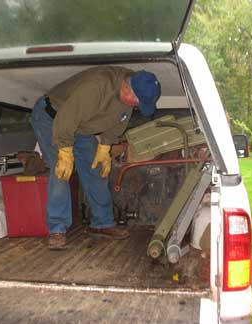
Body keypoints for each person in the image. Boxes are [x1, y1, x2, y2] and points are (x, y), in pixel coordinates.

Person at [31, 66, 161, 250]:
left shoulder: (129, 98)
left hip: (82, 127)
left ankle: (102, 223)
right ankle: (57, 228)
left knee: (96, 169)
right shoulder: (98, 86)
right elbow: (66, 118)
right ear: (127, 89)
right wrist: (66, 151)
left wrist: (104, 147)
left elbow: (117, 123)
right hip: (52, 118)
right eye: (138, 102)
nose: (137, 106)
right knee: (61, 169)